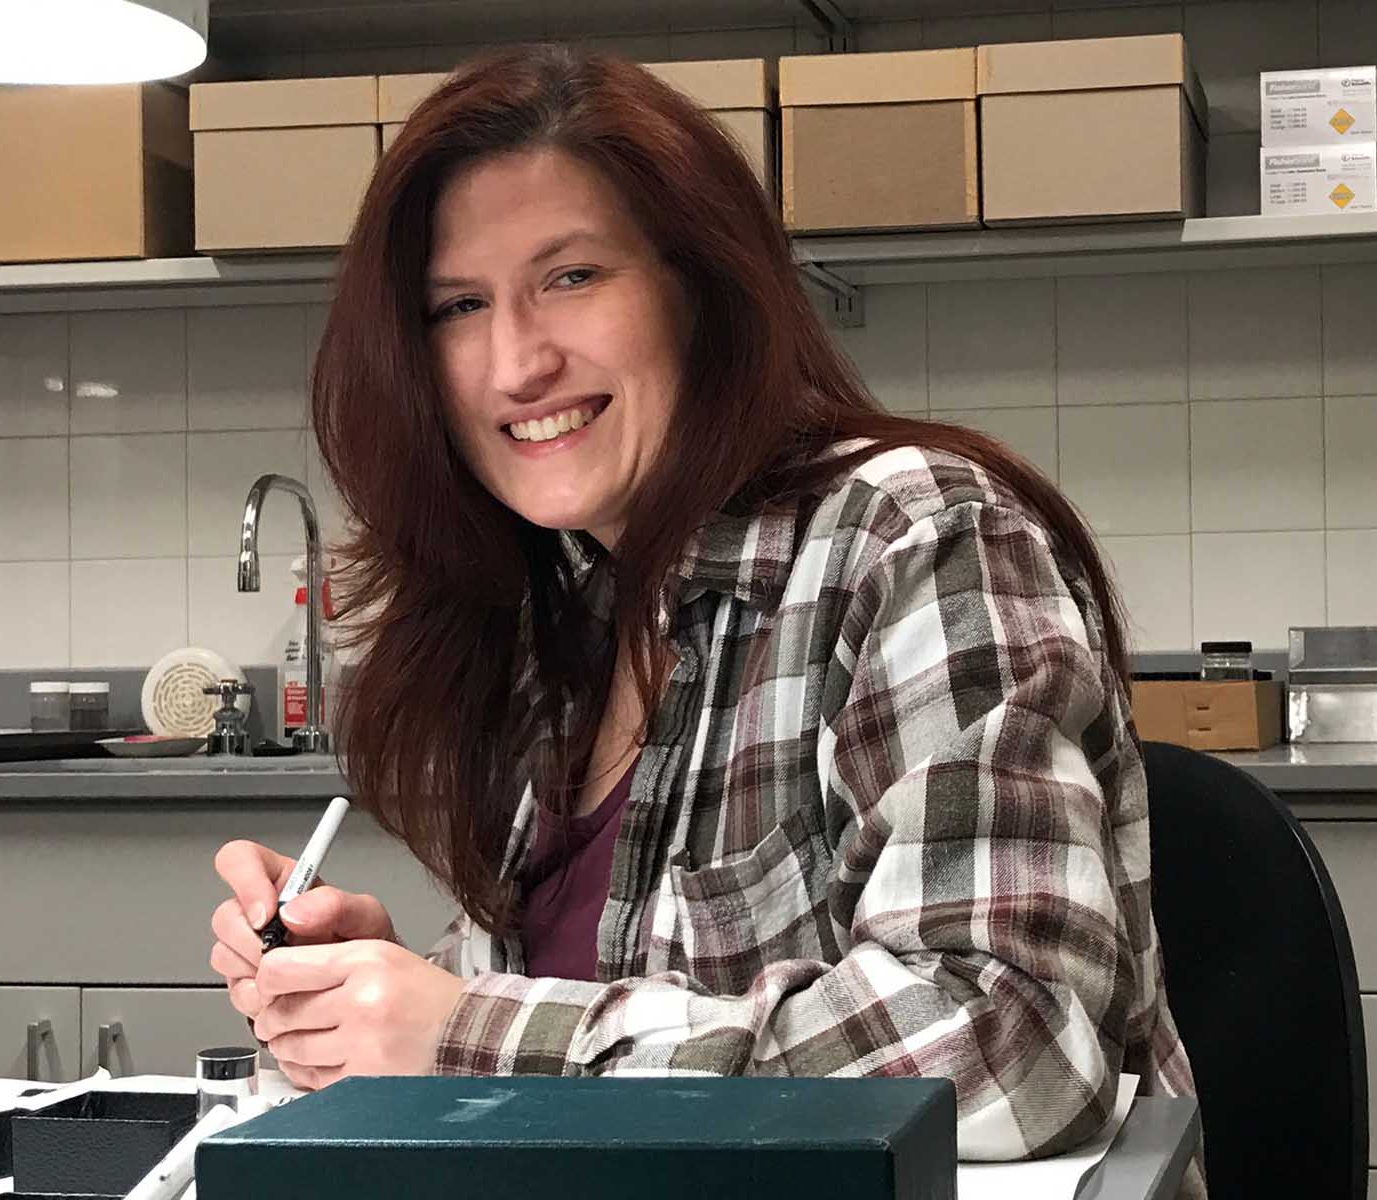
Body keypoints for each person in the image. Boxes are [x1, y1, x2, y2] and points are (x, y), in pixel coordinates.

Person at [208, 42, 1200, 1186]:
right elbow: (579, 1029)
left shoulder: (910, 535)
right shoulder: (567, 620)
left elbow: (1011, 1042)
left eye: (571, 277)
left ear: (702, 289)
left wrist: (465, 1035)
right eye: (458, 305)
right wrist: (378, 998)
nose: (514, 361)